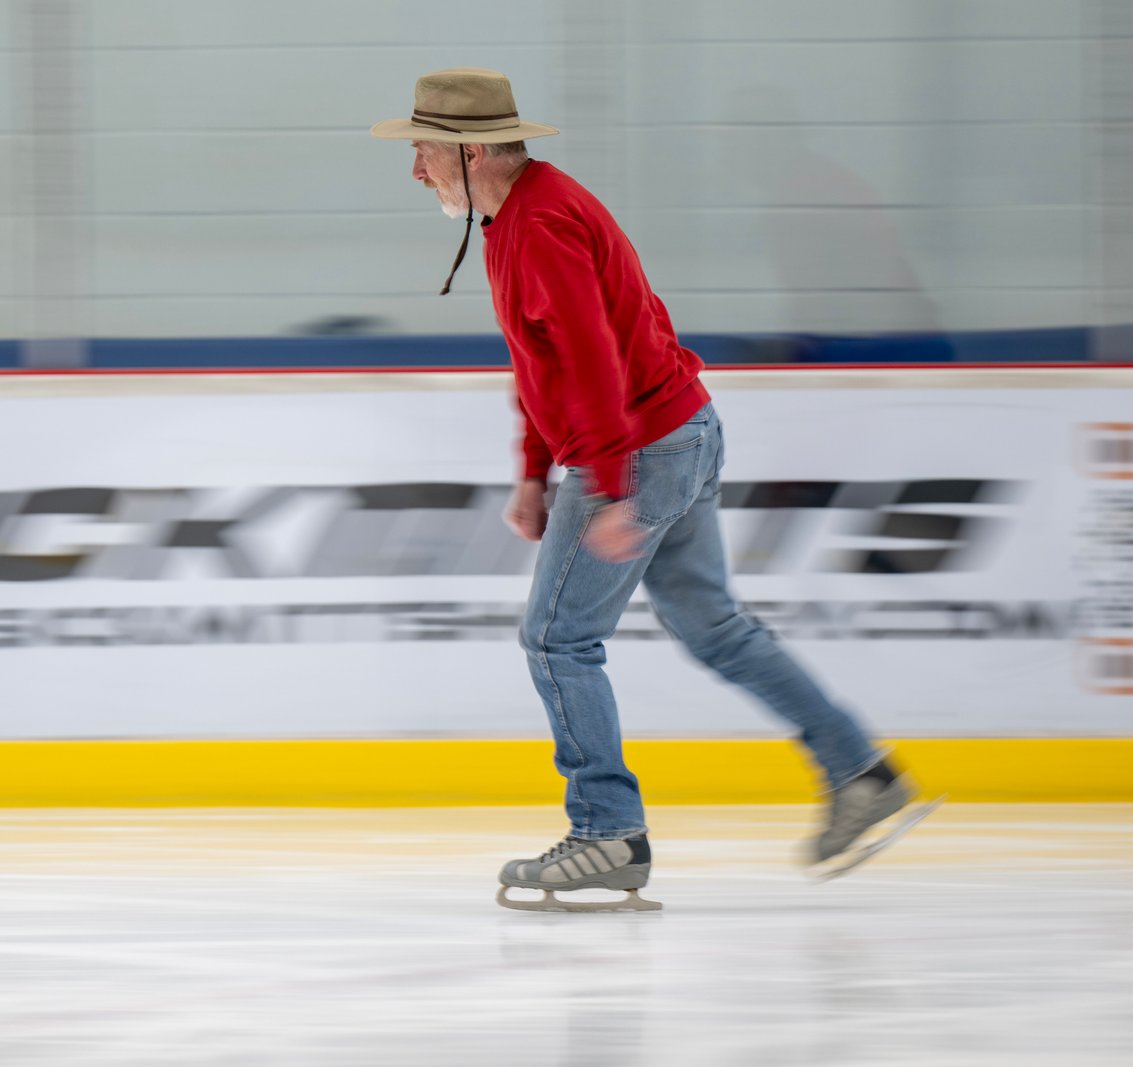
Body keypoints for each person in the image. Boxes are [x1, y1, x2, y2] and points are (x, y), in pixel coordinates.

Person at [371, 68, 927, 911]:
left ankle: (606, 832)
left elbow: (591, 356)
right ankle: (862, 769)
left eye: (422, 151)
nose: (415, 170)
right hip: (676, 430)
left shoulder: (541, 222)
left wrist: (609, 483)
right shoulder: (515, 218)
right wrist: (532, 471)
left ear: (470, 149)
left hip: (637, 447)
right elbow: (540, 363)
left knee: (557, 640)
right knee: (717, 629)